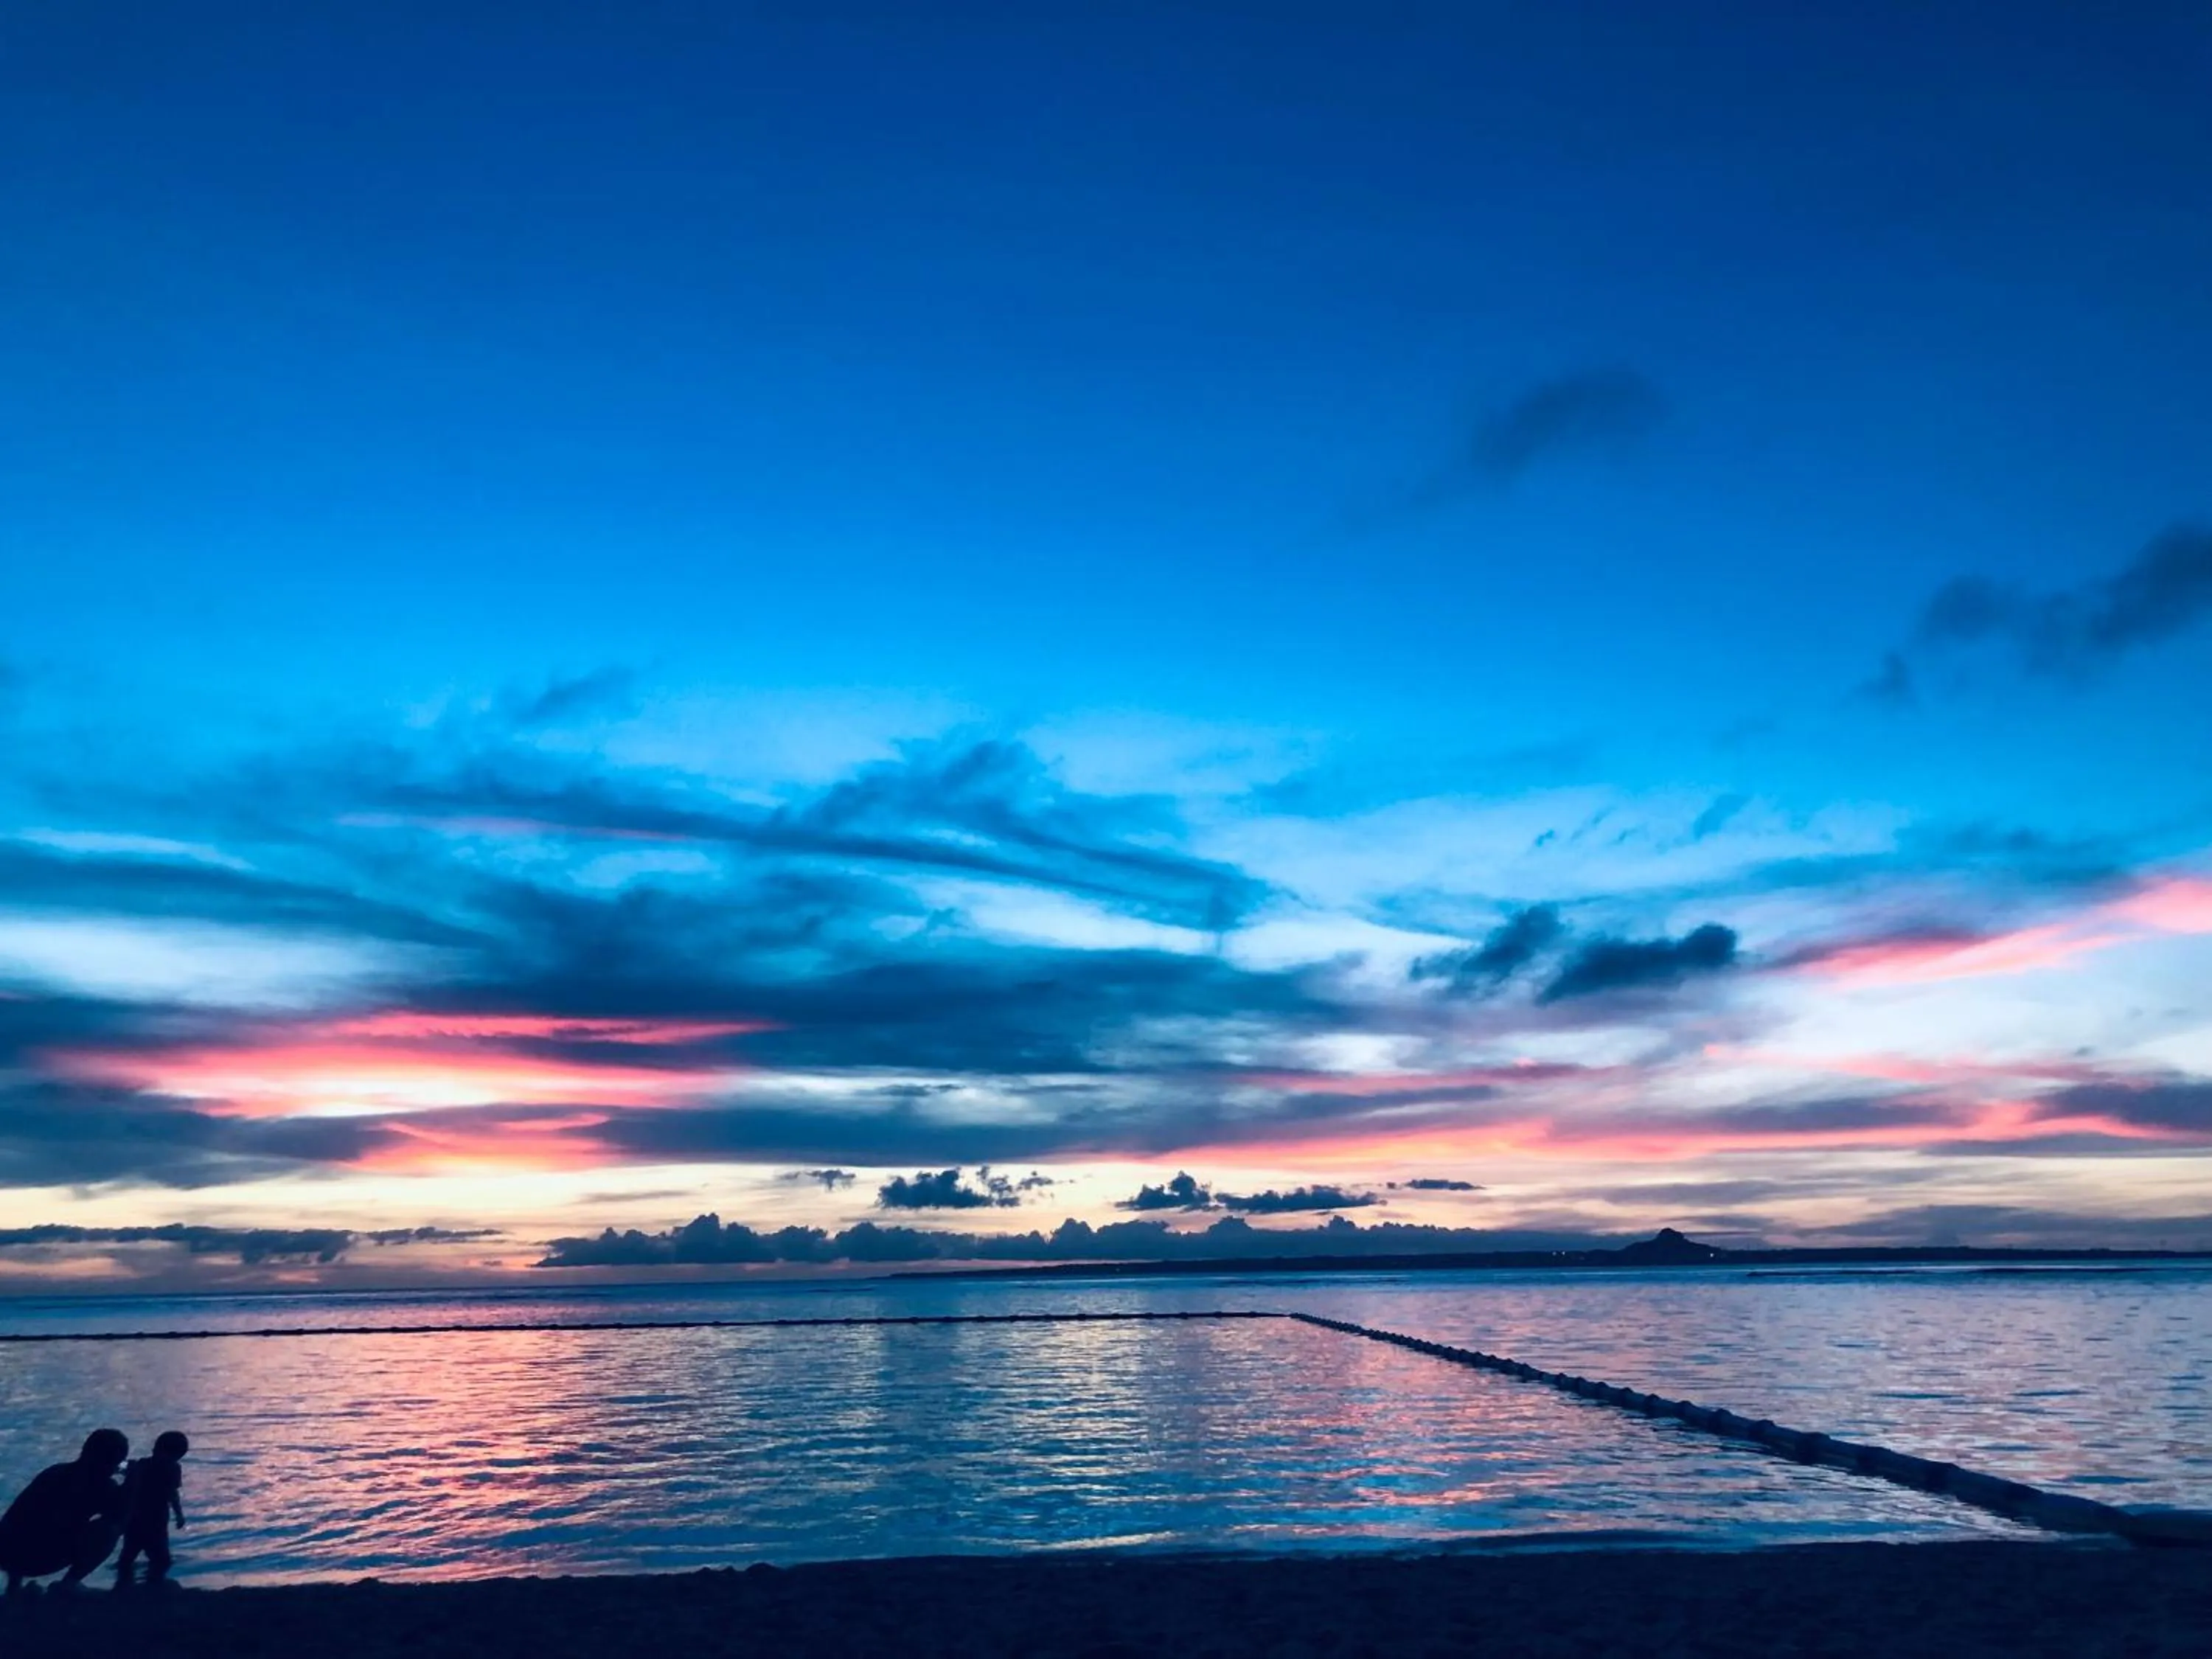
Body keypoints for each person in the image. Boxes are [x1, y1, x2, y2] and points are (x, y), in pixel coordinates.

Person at [0, 1429, 129, 1595]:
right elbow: (122, 1517)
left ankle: (14, 1584)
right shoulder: (103, 1487)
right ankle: (69, 1583)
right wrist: (132, 1485)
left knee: (22, 1526)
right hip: (43, 1557)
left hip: (8, 1555)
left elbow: (16, 1516)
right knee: (110, 1530)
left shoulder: (55, 1472)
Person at [115, 1431, 189, 1588]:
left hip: (148, 1518)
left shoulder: (142, 1465)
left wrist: (179, 1514)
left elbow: (173, 1494)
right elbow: (172, 1494)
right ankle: (148, 1583)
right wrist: (179, 1514)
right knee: (148, 1555)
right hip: (146, 1518)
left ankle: (129, 1583)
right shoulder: (167, 1468)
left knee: (138, 1553)